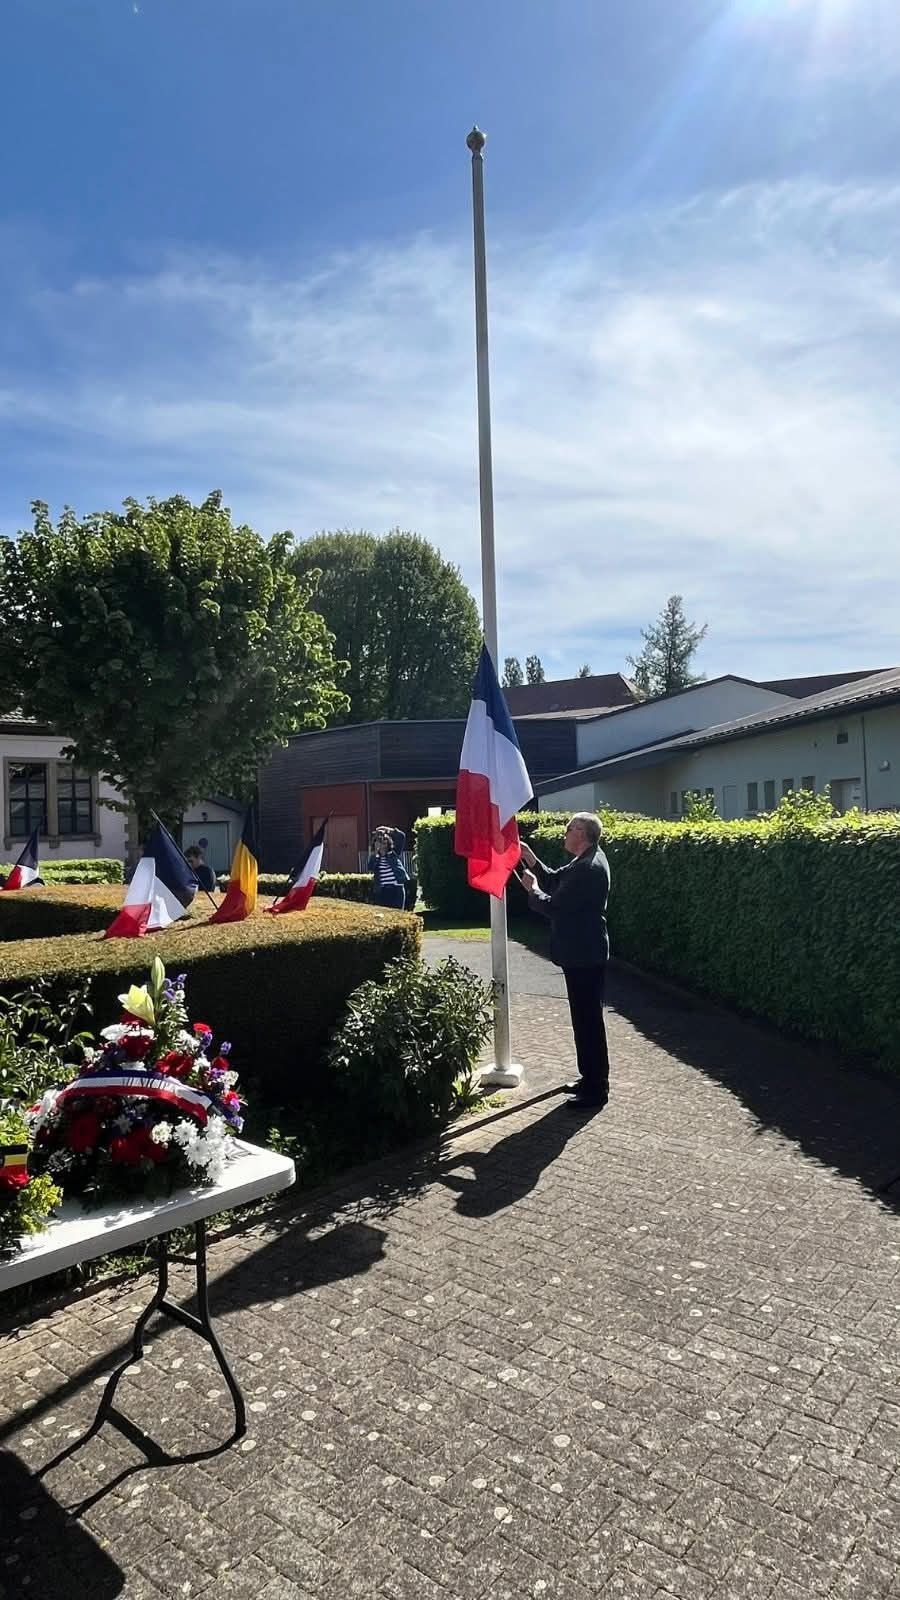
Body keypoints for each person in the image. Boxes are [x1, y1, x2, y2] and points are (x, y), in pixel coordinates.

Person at [520, 813, 611, 1112]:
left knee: (589, 1023)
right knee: (584, 1022)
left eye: (569, 828)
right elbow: (556, 878)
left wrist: (532, 889)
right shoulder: (584, 861)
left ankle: (596, 1089)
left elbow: (555, 907)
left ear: (581, 833)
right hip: (582, 954)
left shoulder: (588, 868)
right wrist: (531, 859)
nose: (565, 832)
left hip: (585, 955)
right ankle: (589, 1079)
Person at [367, 827, 409, 909]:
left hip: (397, 890)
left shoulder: (393, 854)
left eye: (384, 842)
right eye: (379, 843)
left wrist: (387, 830)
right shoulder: (375, 858)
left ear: (388, 843)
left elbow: (401, 836)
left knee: (397, 914)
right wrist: (375, 851)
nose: (382, 845)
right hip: (382, 891)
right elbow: (370, 868)